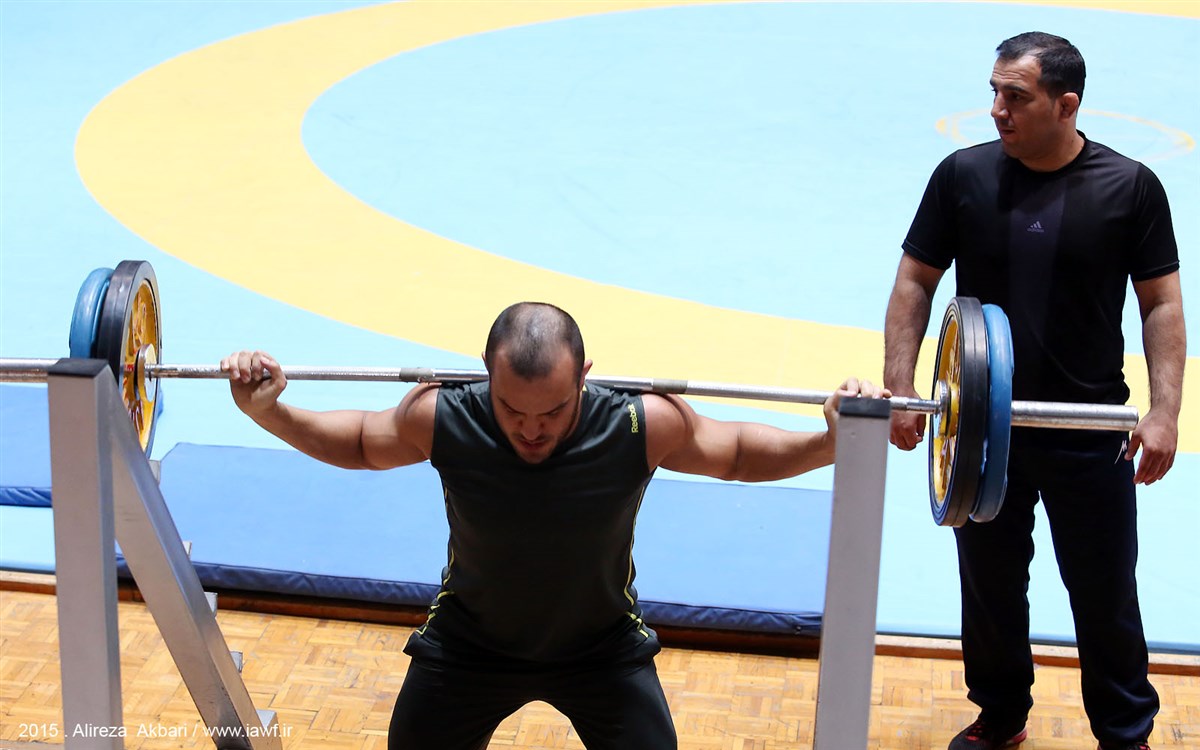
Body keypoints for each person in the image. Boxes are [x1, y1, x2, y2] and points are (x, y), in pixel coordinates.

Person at [222, 302, 886, 750]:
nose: (532, 429)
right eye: (513, 410)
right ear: (488, 376)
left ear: (586, 378)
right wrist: (269, 412)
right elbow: (364, 443)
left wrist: (835, 442)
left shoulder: (639, 422)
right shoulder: (443, 416)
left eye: (554, 411)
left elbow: (736, 453)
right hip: (469, 645)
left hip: (600, 649)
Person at [884, 31, 1185, 750]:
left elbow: (1162, 304)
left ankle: (1125, 733)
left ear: (1066, 104)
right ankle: (1000, 716)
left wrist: (1165, 411)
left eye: (1015, 97)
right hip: (983, 429)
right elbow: (915, 281)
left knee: (1105, 592)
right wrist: (901, 386)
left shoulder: (1130, 187)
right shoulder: (961, 176)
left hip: (1090, 428)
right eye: (994, 92)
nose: (997, 109)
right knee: (990, 587)